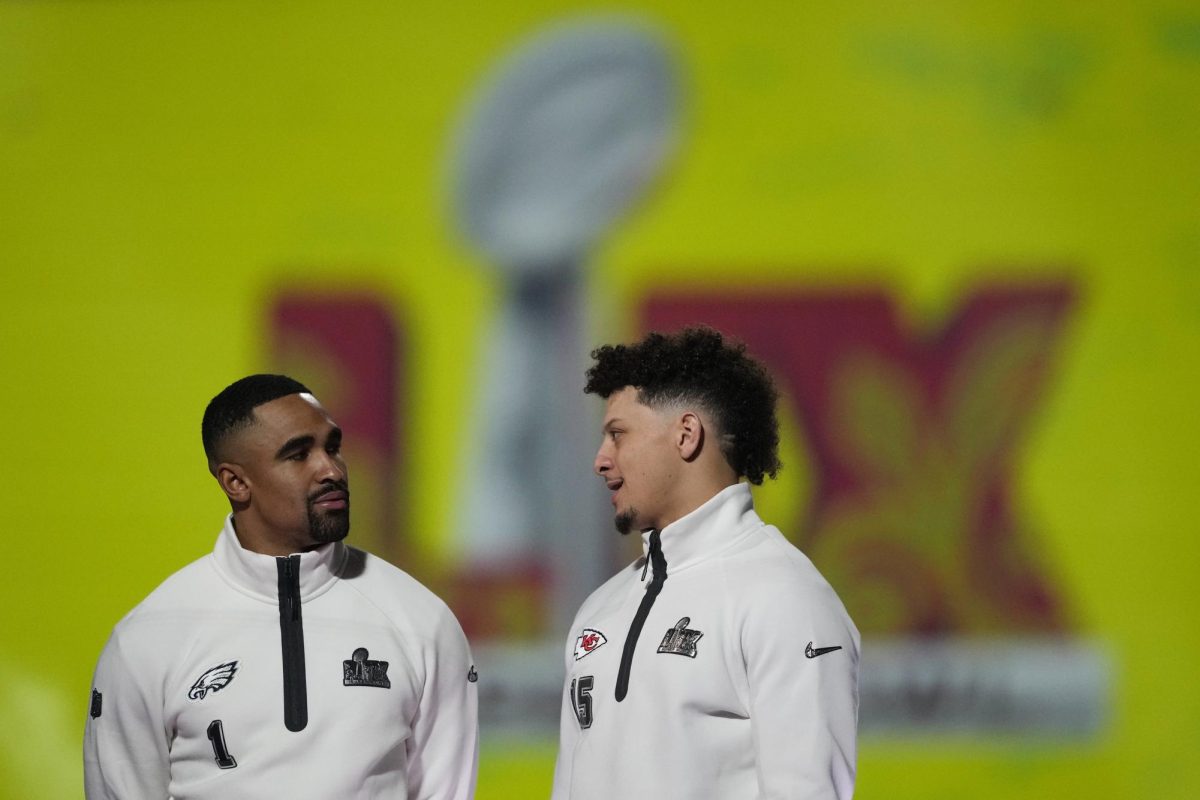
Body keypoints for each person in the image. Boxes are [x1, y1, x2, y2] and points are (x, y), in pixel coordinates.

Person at [84, 375, 478, 799]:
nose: (331, 469)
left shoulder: (422, 620)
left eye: (332, 446)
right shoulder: (147, 638)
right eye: (298, 454)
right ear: (235, 482)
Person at [551, 327, 859, 800]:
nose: (600, 460)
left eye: (617, 435)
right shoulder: (600, 608)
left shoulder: (786, 596)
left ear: (687, 435)